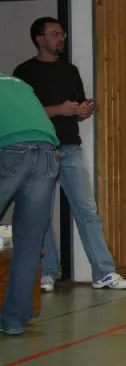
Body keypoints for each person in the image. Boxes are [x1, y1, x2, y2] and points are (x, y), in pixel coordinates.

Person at [13, 17, 126, 292]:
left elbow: (77, 105)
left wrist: (83, 110)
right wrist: (60, 110)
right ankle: (47, 273)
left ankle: (104, 272)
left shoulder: (70, 70)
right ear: (39, 39)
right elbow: (23, 112)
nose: (61, 38)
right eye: (54, 34)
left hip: (70, 147)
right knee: (40, 213)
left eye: (62, 34)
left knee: (88, 210)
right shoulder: (24, 72)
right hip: (39, 149)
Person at [0, 73, 60, 335]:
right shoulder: (19, 84)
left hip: (10, 149)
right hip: (47, 151)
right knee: (29, 243)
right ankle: (14, 322)